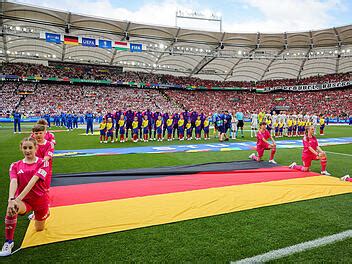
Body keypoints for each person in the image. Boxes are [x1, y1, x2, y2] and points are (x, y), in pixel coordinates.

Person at [0, 138, 50, 257]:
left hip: (40, 201)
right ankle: (9, 242)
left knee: (39, 229)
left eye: (30, 148)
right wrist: (11, 199)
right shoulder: (15, 165)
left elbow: (32, 182)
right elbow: (13, 181)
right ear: (21, 148)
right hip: (24, 202)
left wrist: (17, 199)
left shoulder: (43, 163)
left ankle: (46, 211)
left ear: (35, 148)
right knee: (11, 208)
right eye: (25, 148)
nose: (27, 150)